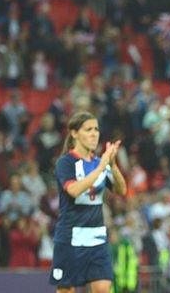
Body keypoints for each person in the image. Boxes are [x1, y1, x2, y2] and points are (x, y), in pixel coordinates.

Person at [49, 111, 127, 293]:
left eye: (96, 129)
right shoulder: (65, 163)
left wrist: (113, 165)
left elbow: (121, 190)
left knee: (102, 289)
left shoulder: (100, 162)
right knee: (66, 290)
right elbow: (74, 190)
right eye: (88, 129)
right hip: (71, 238)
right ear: (75, 133)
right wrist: (101, 167)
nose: (94, 134)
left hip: (97, 237)